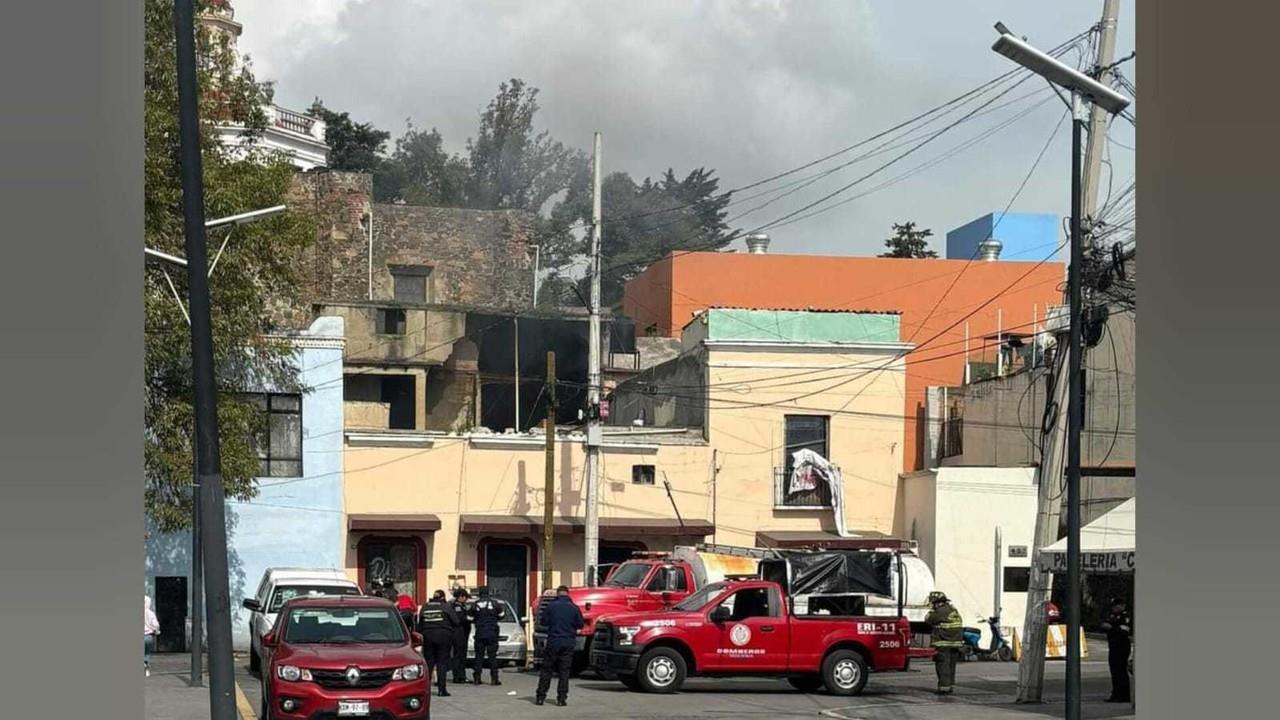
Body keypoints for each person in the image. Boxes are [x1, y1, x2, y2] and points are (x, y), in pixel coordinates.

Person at [535, 586, 584, 707]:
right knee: (564, 671)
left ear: (558, 594)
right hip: (568, 642)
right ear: (568, 594)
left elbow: (543, 621)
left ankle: (541, 697)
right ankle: (561, 698)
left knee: (547, 669)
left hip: (553, 641)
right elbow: (580, 624)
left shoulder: (551, 606)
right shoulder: (574, 608)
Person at [417, 589, 461, 697]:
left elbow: (419, 624)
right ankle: (442, 690)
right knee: (442, 663)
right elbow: (456, 621)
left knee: (429, 664)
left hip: (427, 636)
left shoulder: (425, 606)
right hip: (443, 637)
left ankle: (425, 690)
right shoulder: (445, 606)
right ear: (442, 597)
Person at [925, 591, 964, 695]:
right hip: (955, 643)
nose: (932, 605)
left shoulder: (940, 611)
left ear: (937, 602)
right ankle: (950, 685)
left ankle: (943, 688)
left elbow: (928, 619)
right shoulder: (952, 610)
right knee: (951, 665)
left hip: (943, 642)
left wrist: (930, 612)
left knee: (943, 665)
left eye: (933, 603)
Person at [469, 586, 506, 685]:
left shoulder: (475, 604)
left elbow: (469, 617)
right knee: (492, 656)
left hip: (480, 632)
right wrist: (494, 619)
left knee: (479, 656)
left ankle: (477, 678)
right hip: (492, 633)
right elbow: (502, 615)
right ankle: (494, 679)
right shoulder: (495, 603)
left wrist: (477, 620)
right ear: (488, 593)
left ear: (480, 594)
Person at [1101, 597, 1132, 703]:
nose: (1114, 608)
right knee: (1114, 671)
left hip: (1122, 646)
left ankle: (1124, 695)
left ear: (1121, 606)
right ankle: (1116, 694)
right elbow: (1105, 624)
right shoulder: (1113, 615)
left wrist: (1111, 628)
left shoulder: (1125, 616)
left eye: (1116, 606)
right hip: (1113, 646)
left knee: (1121, 671)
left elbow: (1124, 630)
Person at [449, 588, 473, 684]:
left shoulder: (461, 606)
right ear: (461, 597)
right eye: (465, 598)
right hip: (459, 633)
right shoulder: (457, 607)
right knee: (459, 655)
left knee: (461, 655)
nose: (466, 600)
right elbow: (461, 619)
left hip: (462, 633)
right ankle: (459, 676)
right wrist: (470, 618)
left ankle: (460, 676)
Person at [144, 595, 160, 678]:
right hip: (148, 636)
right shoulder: (150, 613)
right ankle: (146, 668)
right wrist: (156, 630)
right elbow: (155, 624)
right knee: (147, 653)